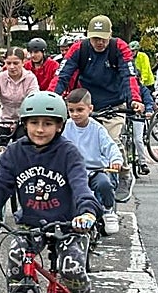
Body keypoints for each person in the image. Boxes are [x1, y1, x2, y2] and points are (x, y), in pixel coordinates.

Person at [0, 92, 104, 293]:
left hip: (68, 223)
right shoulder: (14, 152)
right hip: (30, 223)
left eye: (48, 123)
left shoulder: (68, 152)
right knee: (16, 257)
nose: (40, 129)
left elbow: (80, 186)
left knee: (71, 266)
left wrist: (86, 212)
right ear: (24, 124)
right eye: (34, 123)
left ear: (60, 125)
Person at [54, 15, 144, 176]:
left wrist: (135, 100)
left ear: (110, 35)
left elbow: (128, 76)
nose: (99, 42)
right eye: (95, 38)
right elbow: (62, 76)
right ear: (89, 36)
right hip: (85, 105)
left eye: (103, 38)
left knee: (112, 141)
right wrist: (51, 98)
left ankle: (124, 174)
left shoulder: (119, 47)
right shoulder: (79, 48)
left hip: (114, 104)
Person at [63, 88, 123, 235]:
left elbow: (110, 147)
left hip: (94, 171)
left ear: (90, 109)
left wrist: (115, 160)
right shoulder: (65, 127)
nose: (75, 114)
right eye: (71, 110)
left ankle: (108, 210)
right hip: (73, 171)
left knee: (104, 184)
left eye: (80, 110)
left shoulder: (97, 129)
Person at [0, 47, 38, 170]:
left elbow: (33, 99)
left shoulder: (30, 78)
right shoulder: (0, 78)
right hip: (4, 120)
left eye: (16, 63)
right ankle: (0, 174)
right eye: (8, 63)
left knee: (23, 148)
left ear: (23, 62)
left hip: (23, 121)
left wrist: (25, 117)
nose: (12, 67)